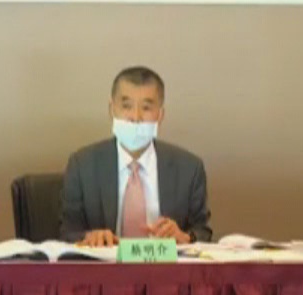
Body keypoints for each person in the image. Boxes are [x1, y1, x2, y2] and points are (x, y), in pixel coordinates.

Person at [59, 65, 213, 246]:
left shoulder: (189, 169)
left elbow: (203, 232)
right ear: (111, 109)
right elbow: (67, 232)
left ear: (160, 115)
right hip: (106, 262)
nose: (135, 117)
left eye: (146, 108)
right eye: (126, 106)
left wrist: (185, 237)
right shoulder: (82, 165)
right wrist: (90, 237)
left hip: (165, 264)